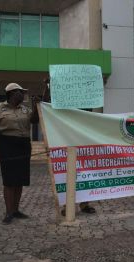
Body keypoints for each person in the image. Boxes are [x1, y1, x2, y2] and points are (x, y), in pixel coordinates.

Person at [42, 78, 96, 216]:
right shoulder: (60, 106)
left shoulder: (84, 105)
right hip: (65, 142)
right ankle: (67, 205)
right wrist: (48, 86)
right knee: (66, 174)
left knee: (84, 174)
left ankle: (85, 203)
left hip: (82, 144)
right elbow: (45, 104)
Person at [0, 83, 41, 224]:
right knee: (9, 179)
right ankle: (8, 212)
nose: (23, 94)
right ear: (12, 93)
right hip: (6, 144)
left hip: (24, 144)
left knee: (20, 179)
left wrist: (37, 106)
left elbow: (35, 121)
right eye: (20, 92)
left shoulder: (25, 109)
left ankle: (16, 210)